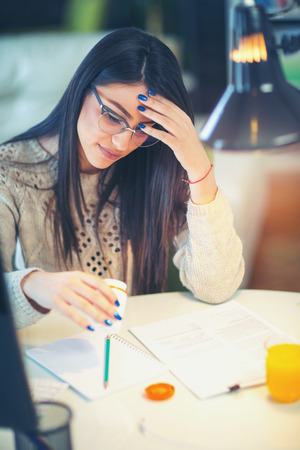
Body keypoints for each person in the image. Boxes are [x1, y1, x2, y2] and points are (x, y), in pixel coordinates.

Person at [0, 28, 244, 331]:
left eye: (142, 128)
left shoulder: (153, 163)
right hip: (52, 355)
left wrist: (197, 167)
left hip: (134, 352)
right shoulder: (9, 171)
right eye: (113, 116)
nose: (122, 144)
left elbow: (216, 286)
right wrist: (33, 284)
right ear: (82, 88)